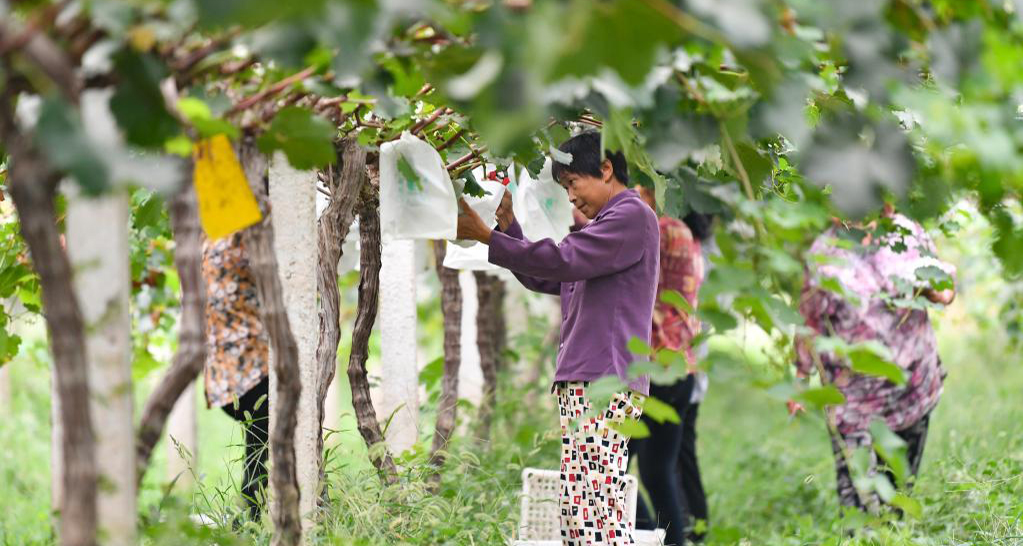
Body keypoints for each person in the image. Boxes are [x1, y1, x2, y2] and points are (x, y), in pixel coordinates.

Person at [457, 131, 659, 546]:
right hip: (596, 378)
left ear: (605, 169)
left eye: (572, 183)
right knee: (584, 506)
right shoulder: (607, 226)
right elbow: (553, 274)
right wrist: (507, 229)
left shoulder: (630, 217)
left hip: (604, 379)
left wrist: (488, 238)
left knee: (592, 511)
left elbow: (563, 260)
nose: (570, 198)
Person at [796, 204, 955, 513]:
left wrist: (938, 293)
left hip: (911, 391)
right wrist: (801, 377)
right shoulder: (825, 250)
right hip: (852, 402)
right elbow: (809, 318)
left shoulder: (907, 233)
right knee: (860, 508)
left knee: (896, 499)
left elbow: (945, 285)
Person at [627, 186, 706, 545]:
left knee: (609, 469)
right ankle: (668, 541)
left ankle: (645, 535)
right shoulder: (687, 233)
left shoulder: (658, 228)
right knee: (658, 473)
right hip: (680, 369)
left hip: (654, 369)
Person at [202, 230, 271, 521]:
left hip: (224, 374)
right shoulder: (242, 242)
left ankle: (253, 515)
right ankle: (255, 515)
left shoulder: (209, 240)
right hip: (248, 368)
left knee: (259, 436)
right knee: (264, 430)